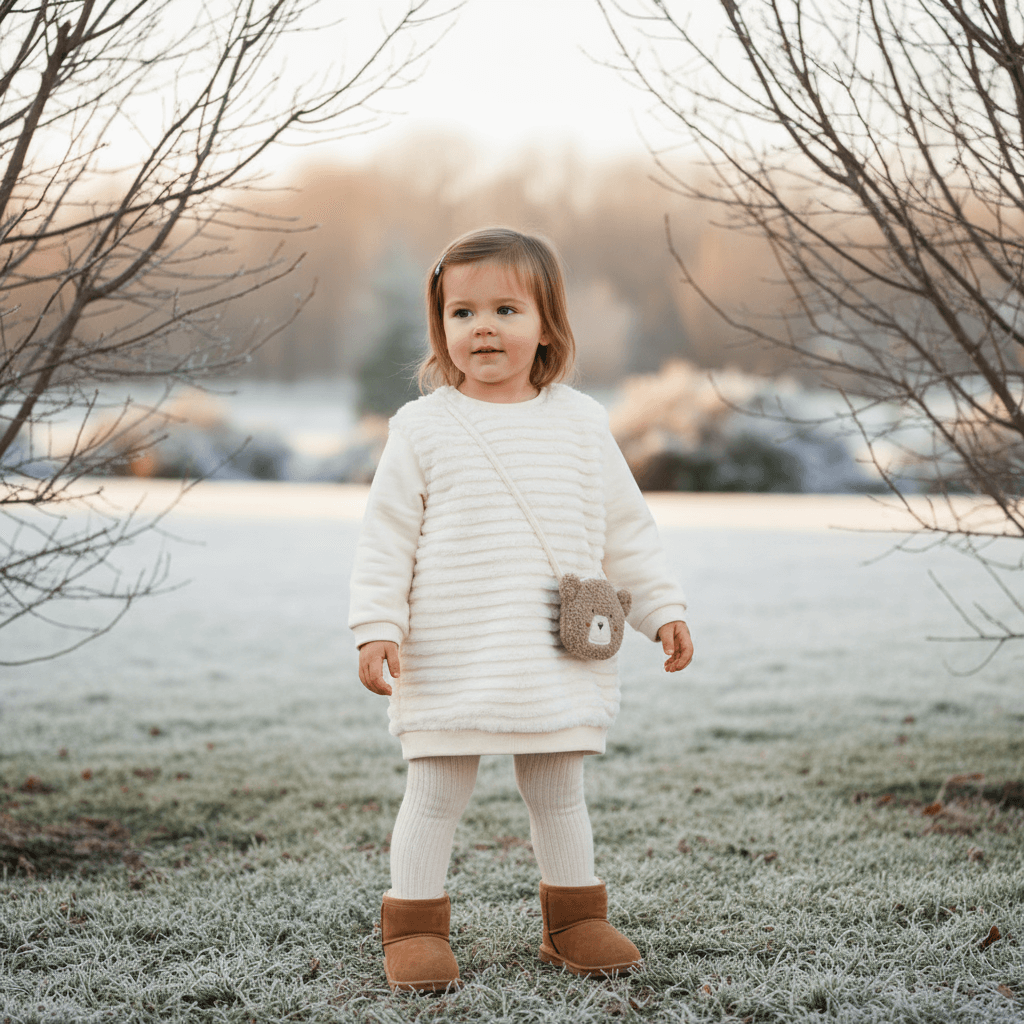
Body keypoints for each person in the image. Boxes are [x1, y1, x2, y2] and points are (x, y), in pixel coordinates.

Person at [349, 227, 693, 993]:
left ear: (546, 325)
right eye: (462, 312)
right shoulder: (422, 429)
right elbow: (386, 537)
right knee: (435, 792)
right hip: (450, 647)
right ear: (441, 326)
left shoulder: (581, 423)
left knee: (558, 790)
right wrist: (376, 627)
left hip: (552, 650)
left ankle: (573, 920)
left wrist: (662, 608)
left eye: (506, 309)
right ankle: (414, 925)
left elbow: (626, 528)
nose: (483, 327)